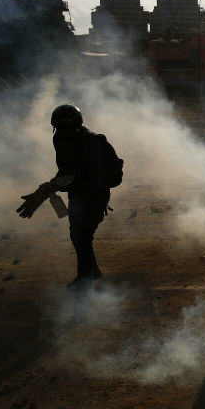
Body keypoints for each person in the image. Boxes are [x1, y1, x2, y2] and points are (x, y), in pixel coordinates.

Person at [17, 105, 122, 289]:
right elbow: (66, 170)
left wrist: (48, 188)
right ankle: (91, 271)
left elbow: (91, 179)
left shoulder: (91, 144)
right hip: (78, 192)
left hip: (95, 193)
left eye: (67, 128)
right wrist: (48, 188)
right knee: (79, 235)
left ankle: (85, 278)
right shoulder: (60, 139)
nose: (63, 133)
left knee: (82, 234)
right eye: (60, 129)